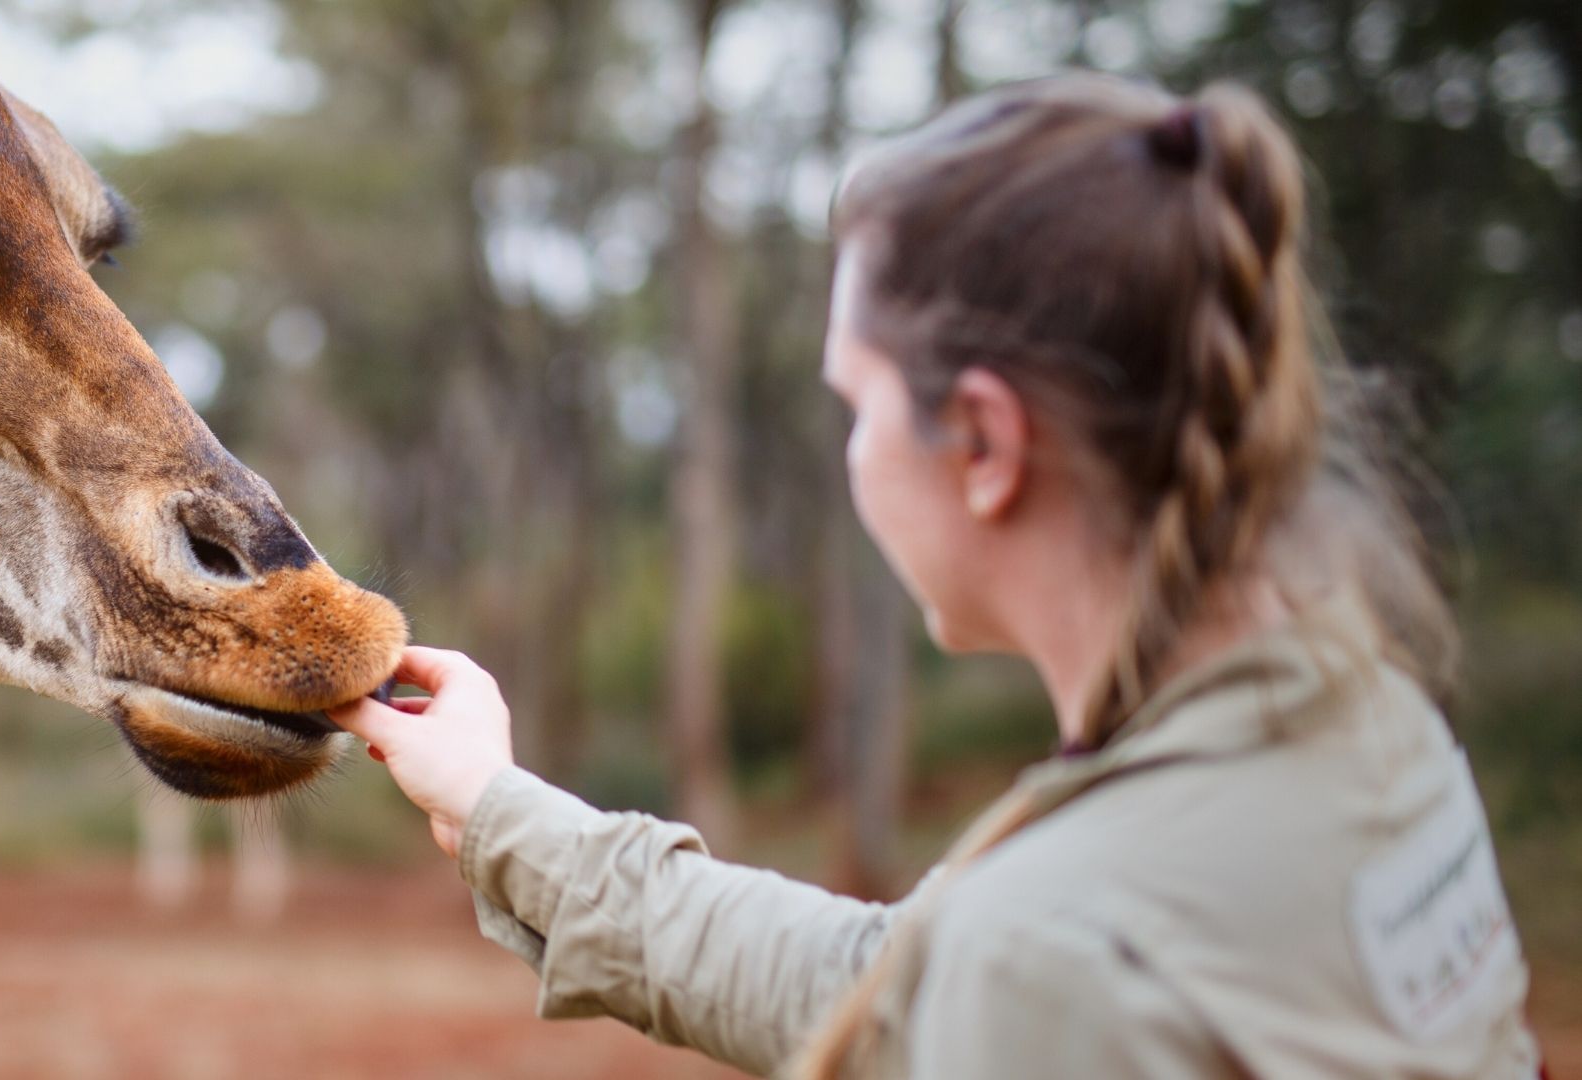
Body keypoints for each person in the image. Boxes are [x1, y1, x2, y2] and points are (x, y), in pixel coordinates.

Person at [327, 74, 1542, 1079]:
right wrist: (495, 804)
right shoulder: (1366, 727)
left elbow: (991, 973)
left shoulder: (1056, 952)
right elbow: (889, 978)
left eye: (856, 407)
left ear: (984, 445)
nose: (853, 456)